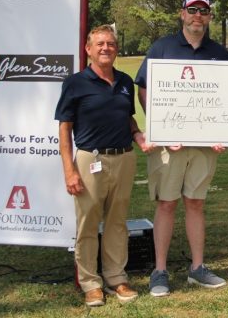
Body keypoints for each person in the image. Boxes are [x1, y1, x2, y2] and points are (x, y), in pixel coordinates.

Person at [134, 0, 228, 297]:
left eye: (203, 10)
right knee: (166, 203)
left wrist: (221, 129)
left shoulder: (218, 52)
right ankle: (160, 271)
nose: (197, 15)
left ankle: (197, 268)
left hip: (204, 145)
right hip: (169, 145)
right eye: (193, 10)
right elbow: (144, 91)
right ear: (182, 13)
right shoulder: (162, 47)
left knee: (196, 203)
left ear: (210, 16)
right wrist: (162, 127)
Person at [56, 25, 148, 307]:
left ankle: (116, 278)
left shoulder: (123, 81)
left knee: (117, 223)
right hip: (89, 159)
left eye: (110, 44)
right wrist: (69, 170)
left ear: (116, 49)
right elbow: (64, 130)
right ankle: (90, 284)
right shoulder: (75, 83)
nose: (106, 48)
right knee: (88, 224)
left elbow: (128, 118)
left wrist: (137, 134)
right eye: (100, 44)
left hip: (123, 158)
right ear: (88, 49)